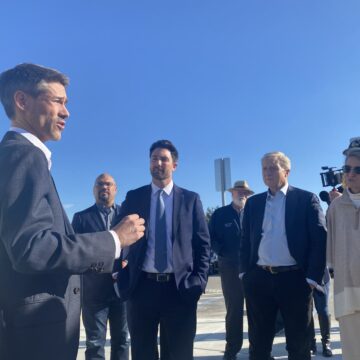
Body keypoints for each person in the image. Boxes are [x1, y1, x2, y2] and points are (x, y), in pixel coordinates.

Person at [0, 63, 145, 360]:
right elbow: (32, 248)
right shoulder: (23, 155)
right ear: (22, 101)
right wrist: (113, 240)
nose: (66, 112)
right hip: (34, 338)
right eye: (58, 101)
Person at [116, 139, 211, 360]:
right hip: (141, 289)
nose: (158, 163)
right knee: (142, 353)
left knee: (179, 353)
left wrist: (199, 281)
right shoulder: (134, 197)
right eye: (154, 158)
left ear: (174, 165)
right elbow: (118, 239)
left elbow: (203, 244)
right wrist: (118, 275)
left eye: (164, 159)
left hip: (179, 289)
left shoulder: (190, 199)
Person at [239, 151, 327, 360]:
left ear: (286, 172)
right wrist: (245, 273)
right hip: (259, 280)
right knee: (258, 346)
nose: (267, 173)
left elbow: (319, 240)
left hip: (295, 280)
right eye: (264, 168)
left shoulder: (306, 199)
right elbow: (245, 240)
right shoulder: (254, 203)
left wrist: (312, 279)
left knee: (298, 345)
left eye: (272, 168)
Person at [72, 173, 129, 360]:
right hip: (94, 292)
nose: (104, 187)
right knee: (95, 343)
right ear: (93, 189)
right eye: (100, 184)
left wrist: (127, 262)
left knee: (122, 341)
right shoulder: (81, 218)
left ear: (115, 189)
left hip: (122, 290)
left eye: (108, 184)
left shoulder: (126, 217)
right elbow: (76, 252)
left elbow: (135, 247)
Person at [209, 180, 254, 360]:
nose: (241, 194)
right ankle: (232, 349)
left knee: (256, 310)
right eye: (238, 191)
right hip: (230, 268)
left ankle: (257, 349)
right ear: (232, 193)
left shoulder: (255, 212)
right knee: (234, 310)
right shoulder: (220, 214)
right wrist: (223, 252)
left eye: (244, 192)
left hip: (253, 269)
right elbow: (210, 237)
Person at [327, 137, 360, 360]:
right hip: (347, 290)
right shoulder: (336, 207)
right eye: (347, 168)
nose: (351, 173)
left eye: (357, 169)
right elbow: (329, 248)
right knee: (352, 350)